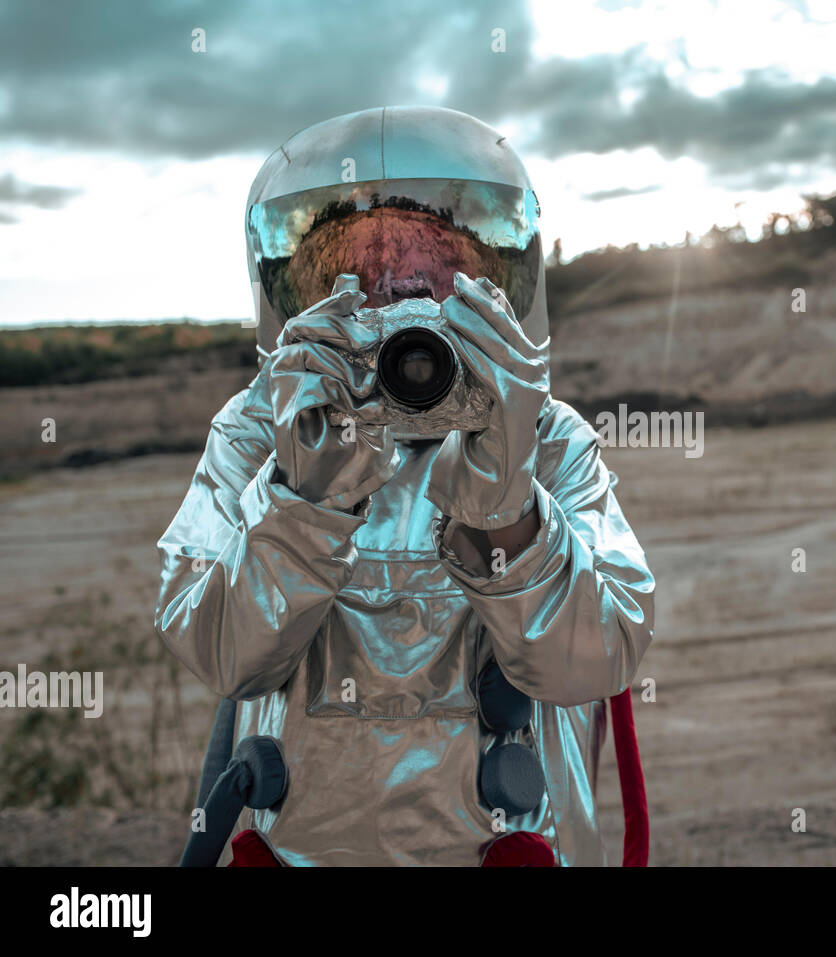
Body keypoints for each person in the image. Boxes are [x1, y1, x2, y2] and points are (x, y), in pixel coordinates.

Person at [154, 106, 655, 866]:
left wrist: (507, 515)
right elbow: (222, 653)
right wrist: (302, 503)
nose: (399, 300)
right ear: (306, 299)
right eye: (358, 275)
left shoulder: (545, 435)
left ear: (492, 286)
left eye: (432, 271)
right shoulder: (260, 430)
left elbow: (597, 658)